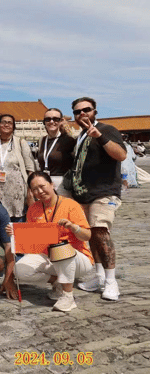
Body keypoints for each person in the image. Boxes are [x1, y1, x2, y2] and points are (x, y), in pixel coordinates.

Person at [69, 97, 126, 301]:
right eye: (77, 112)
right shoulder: (80, 136)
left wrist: (99, 136)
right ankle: (99, 275)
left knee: (101, 232)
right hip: (84, 194)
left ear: (95, 111)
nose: (82, 114)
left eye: (86, 110)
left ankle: (111, 281)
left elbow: (121, 155)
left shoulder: (107, 129)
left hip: (104, 192)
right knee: (91, 234)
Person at [12, 172, 93, 311]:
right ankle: (57, 282)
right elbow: (32, 242)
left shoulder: (70, 205)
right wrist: (17, 234)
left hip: (78, 259)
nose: (40, 191)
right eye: (35, 189)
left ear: (51, 184)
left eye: (42, 186)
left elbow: (87, 236)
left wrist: (74, 228)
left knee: (60, 248)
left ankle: (68, 296)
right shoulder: (33, 209)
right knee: (20, 270)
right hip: (48, 257)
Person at [0, 115, 36, 221]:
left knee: (17, 222)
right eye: (3, 122)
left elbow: (30, 168)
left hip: (17, 191)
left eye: (10, 123)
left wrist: (30, 190)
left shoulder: (20, 142)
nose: (6, 125)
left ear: (14, 127)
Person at [37, 108, 76, 191]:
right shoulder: (42, 140)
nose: (51, 122)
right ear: (44, 122)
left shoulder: (69, 140)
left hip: (62, 185)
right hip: (44, 182)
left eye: (55, 119)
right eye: (48, 119)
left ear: (61, 121)